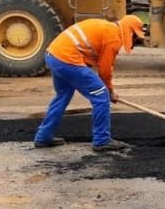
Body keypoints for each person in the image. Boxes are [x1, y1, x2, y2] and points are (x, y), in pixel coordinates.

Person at [33, 15, 146, 153]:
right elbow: (105, 70)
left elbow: (89, 54)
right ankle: (102, 140)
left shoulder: (106, 27)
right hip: (67, 59)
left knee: (62, 96)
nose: (134, 40)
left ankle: (43, 136)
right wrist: (109, 91)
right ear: (130, 31)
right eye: (135, 36)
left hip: (53, 56)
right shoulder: (114, 37)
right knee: (101, 96)